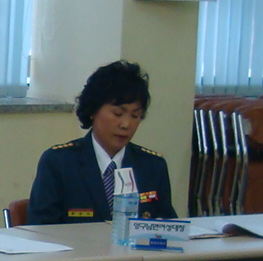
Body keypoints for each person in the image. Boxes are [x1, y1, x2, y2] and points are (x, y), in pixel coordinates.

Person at [27, 60, 177, 224]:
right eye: (117, 114)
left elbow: (167, 227)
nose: (126, 124)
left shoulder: (152, 166)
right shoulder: (59, 163)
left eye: (135, 116)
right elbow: (41, 229)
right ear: (93, 110)